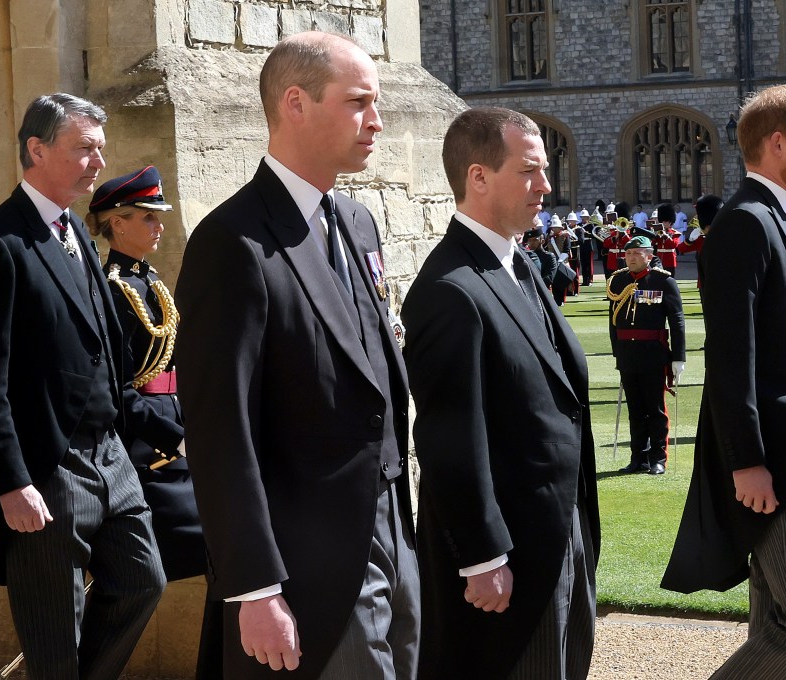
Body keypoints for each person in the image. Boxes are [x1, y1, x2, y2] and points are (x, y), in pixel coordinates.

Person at [174, 32, 419, 679]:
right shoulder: (232, 242)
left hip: (393, 532)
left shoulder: (357, 223)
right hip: (309, 557)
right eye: (359, 102)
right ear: (295, 104)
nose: (378, 121)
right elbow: (220, 429)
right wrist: (254, 587)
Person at [0, 93, 166, 678]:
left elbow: (108, 353)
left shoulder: (73, 227)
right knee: (53, 635)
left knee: (143, 581)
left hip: (110, 456)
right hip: (48, 466)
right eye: (82, 149)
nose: (97, 163)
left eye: (100, 149)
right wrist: (12, 481)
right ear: (36, 149)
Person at [401, 106, 600, 680]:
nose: (547, 187)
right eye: (530, 171)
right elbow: (449, 435)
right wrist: (483, 553)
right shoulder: (451, 290)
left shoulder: (518, 265)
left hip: (559, 527)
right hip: (510, 549)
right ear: (479, 177)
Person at [662, 84, 786, 679]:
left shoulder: (778, 218)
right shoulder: (745, 223)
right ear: (776, 143)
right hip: (775, 459)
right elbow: (731, 357)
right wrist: (747, 461)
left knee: (774, 622)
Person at [86, 166, 206, 582]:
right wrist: (174, 437)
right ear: (117, 223)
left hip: (171, 428)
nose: (159, 225)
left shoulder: (149, 281)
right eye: (148, 216)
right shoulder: (113, 289)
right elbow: (118, 389)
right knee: (152, 573)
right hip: (144, 444)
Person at [606, 236, 686, 475]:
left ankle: (657, 458)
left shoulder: (662, 281)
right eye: (628, 254)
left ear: (649, 256)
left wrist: (678, 357)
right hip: (628, 354)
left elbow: (677, 320)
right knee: (635, 410)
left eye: (637, 253)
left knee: (655, 409)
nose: (631, 258)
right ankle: (637, 457)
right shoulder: (618, 281)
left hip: (653, 354)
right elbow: (613, 320)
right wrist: (616, 350)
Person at [653, 203, 681, 276]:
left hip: (670, 261)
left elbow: (674, 245)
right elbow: (653, 243)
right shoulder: (658, 232)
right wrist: (655, 235)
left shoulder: (675, 233)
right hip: (659, 259)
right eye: (662, 221)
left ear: (670, 222)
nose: (663, 223)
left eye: (665, 222)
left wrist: (666, 236)